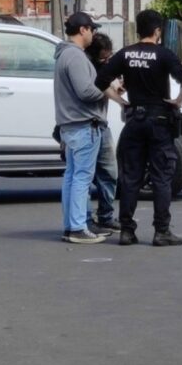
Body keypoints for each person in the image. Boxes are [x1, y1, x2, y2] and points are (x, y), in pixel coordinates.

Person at [95, 9, 182, 247]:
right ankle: (162, 231)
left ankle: (127, 231)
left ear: (138, 29)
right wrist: (177, 102)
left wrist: (122, 102)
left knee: (130, 178)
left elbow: (100, 81)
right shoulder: (164, 54)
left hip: (134, 121)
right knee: (161, 177)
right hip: (159, 122)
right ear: (157, 31)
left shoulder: (125, 54)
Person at [54, 12, 118, 244]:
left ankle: (72, 225)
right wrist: (108, 90)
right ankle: (78, 228)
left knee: (72, 177)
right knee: (81, 178)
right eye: (91, 29)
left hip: (72, 126)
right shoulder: (76, 56)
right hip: (84, 126)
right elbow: (85, 92)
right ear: (82, 30)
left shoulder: (65, 54)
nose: (92, 34)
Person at [84, 32, 119, 233]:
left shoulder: (104, 68)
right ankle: (86, 219)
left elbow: (108, 88)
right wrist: (118, 99)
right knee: (85, 177)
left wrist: (117, 91)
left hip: (101, 124)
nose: (107, 61)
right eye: (103, 58)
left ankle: (106, 215)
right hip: (86, 125)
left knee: (110, 171)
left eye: (109, 57)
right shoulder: (87, 68)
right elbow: (95, 91)